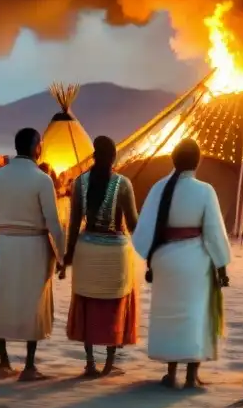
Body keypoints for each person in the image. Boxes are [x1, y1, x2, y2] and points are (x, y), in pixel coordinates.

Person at [132, 138, 232, 390]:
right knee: (195, 316)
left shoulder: (159, 188)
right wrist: (221, 266)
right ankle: (191, 376)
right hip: (194, 260)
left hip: (165, 260)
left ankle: (171, 373)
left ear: (173, 159)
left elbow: (144, 229)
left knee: (170, 316)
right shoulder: (204, 190)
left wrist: (151, 259)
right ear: (197, 162)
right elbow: (213, 233)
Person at [0, 128, 65, 382]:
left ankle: (3, 361)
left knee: (3, 297)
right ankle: (29, 365)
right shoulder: (42, 179)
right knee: (33, 301)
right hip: (33, 245)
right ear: (36, 147)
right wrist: (63, 255)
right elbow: (53, 222)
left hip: (7, 244)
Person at [64, 136, 140, 377]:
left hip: (87, 249)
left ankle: (89, 362)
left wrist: (68, 256)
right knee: (112, 307)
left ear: (94, 155)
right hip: (115, 252)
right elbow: (133, 222)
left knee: (88, 304)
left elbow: (74, 224)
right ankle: (108, 363)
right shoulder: (123, 183)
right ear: (114, 157)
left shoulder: (80, 183)